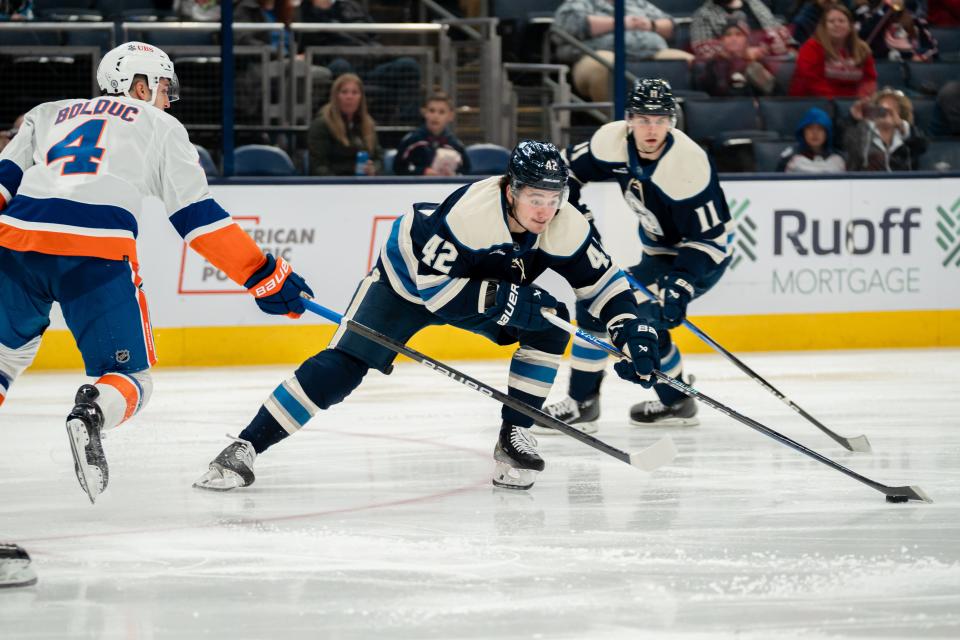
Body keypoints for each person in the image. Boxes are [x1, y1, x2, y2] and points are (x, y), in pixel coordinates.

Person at [193, 141, 661, 492]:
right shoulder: (471, 216)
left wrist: (632, 328)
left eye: (553, 197)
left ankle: (515, 434)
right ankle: (246, 446)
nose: (545, 209)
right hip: (407, 281)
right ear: (510, 189)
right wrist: (508, 299)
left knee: (551, 323)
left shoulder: (565, 222)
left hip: (475, 285)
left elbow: (605, 287)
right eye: (534, 197)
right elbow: (435, 294)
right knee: (345, 366)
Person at [0, 42, 314, 503]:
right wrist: (263, 275)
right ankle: (91, 414)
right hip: (96, 250)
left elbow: (4, 183)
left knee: (4, 361)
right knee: (130, 379)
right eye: (164, 87)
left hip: (16, 243)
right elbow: (198, 219)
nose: (168, 100)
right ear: (138, 85)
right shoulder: (161, 126)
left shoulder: (48, 112)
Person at [541, 79, 731, 434]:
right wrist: (577, 215)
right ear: (629, 119)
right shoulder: (610, 143)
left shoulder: (689, 165)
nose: (651, 128)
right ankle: (672, 401)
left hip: (703, 256)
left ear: (672, 122)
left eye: (660, 120)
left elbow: (707, 238)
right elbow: (562, 171)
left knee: (627, 313)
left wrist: (682, 282)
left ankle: (593, 403)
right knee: (616, 308)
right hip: (657, 252)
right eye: (643, 119)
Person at [553, 0, 694, 102]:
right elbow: (571, 26)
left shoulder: (638, 3)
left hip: (650, 51)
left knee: (693, 62)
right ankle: (614, 121)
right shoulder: (578, 4)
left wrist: (650, 24)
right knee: (606, 66)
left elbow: (670, 26)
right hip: (597, 53)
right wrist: (620, 23)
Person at [789, 4, 878, 97]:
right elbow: (810, 80)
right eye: (831, 21)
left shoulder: (862, 49)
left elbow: (869, 80)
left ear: (850, 26)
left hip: (852, 102)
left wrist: (861, 99)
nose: (837, 24)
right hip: (813, 101)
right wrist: (837, 102)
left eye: (842, 21)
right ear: (823, 27)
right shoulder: (811, 47)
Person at [307, 73, 383, 176]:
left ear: (361, 97)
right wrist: (351, 170)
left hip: (365, 186)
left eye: (355, 92)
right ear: (336, 96)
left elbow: (379, 158)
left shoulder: (368, 124)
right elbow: (318, 167)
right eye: (344, 92)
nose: (349, 97)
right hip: (333, 185)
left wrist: (373, 169)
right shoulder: (322, 124)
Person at [845, 87, 928, 170]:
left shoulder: (908, 137)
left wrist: (902, 126)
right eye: (881, 108)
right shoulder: (863, 132)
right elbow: (850, 146)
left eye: (893, 107)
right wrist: (854, 120)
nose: (887, 109)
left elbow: (922, 146)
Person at [694, 18, 779, 96]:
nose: (733, 38)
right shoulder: (713, 64)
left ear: (747, 40)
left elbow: (774, 93)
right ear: (721, 41)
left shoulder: (757, 63)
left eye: (738, 35)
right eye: (728, 35)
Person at [393, 92, 470, 176]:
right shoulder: (412, 140)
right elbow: (398, 168)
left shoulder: (455, 145)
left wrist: (453, 175)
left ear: (450, 116)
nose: (435, 116)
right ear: (424, 112)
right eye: (431, 111)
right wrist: (422, 171)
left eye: (441, 112)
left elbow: (465, 171)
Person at [691, 0, 794, 61]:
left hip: (772, 59)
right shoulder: (703, 14)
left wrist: (790, 47)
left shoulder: (755, 3)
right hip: (733, 69)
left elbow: (780, 31)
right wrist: (743, 53)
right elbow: (704, 50)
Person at [854, 0, 939, 62]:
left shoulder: (915, 20)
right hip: (883, 68)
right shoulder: (864, 15)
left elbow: (932, 50)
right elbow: (863, 39)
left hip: (914, 68)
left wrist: (920, 57)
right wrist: (885, 9)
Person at [776, 106, 847, 172]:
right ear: (803, 132)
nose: (815, 133)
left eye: (820, 129)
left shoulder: (839, 159)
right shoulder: (790, 158)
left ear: (827, 133)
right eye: (810, 128)